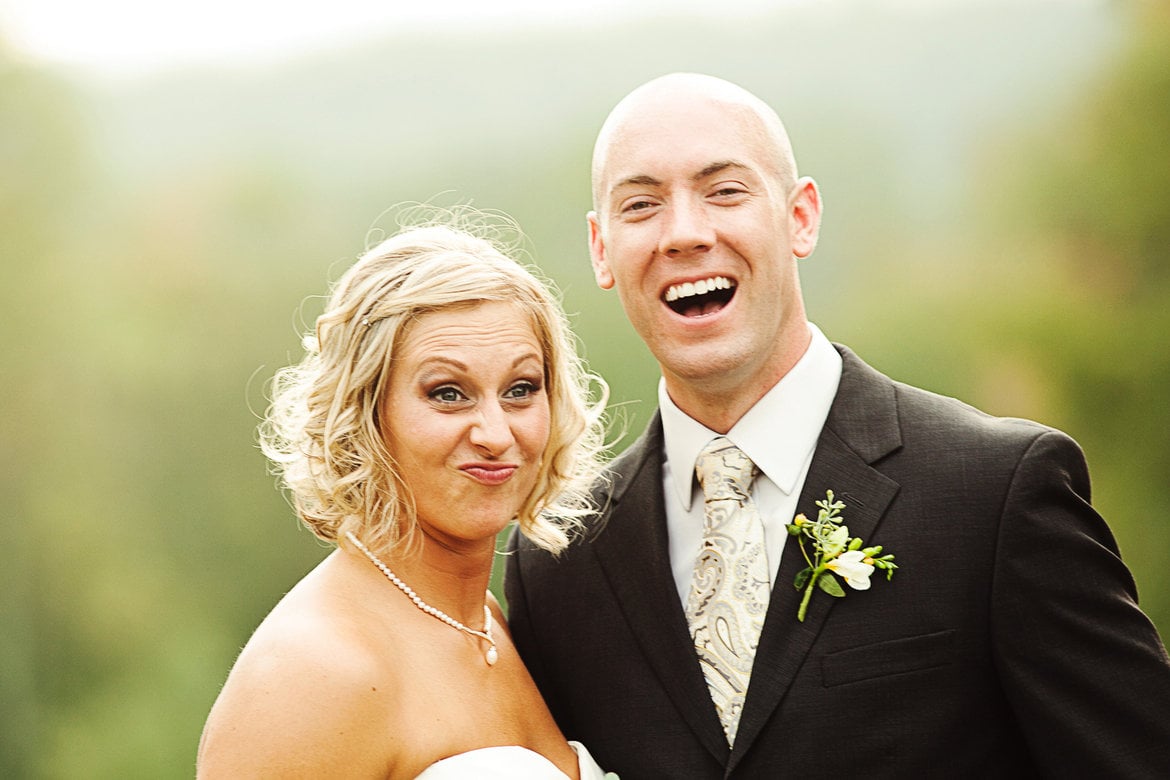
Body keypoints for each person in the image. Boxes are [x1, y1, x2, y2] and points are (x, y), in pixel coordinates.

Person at [506, 73, 1170, 778]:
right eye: (641, 205)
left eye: (725, 191)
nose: (686, 233)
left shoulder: (996, 493)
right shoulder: (557, 561)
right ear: (601, 249)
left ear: (801, 217)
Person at [197, 219, 613, 778]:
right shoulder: (313, 671)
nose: (495, 434)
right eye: (447, 393)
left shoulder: (490, 622)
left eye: (520, 390)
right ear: (367, 413)